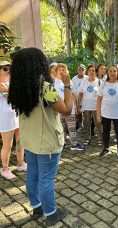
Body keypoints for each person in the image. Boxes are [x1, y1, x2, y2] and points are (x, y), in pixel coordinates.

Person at [8, 48, 71, 226]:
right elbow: (66, 110)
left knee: (33, 176)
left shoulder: (18, 88)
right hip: (47, 143)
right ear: (39, 65)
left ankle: (36, 207)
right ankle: (51, 213)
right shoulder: (45, 88)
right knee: (46, 179)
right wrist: (67, 86)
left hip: (30, 141)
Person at [0, 59, 26, 180]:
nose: (8, 71)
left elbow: (20, 93)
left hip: (16, 115)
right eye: (5, 68)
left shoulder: (12, 82)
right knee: (7, 144)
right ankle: (5, 169)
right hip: (4, 118)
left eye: (9, 68)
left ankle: (21, 163)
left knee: (20, 140)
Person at [97, 65, 118, 159]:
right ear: (108, 73)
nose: (112, 73)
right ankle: (105, 148)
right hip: (105, 113)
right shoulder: (104, 84)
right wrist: (98, 114)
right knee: (105, 131)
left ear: (117, 73)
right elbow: (99, 100)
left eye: (114, 71)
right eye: (110, 71)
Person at [54, 63, 84, 151]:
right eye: (59, 70)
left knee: (72, 127)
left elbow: (74, 94)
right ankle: (62, 144)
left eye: (63, 70)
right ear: (56, 72)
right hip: (59, 109)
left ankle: (74, 144)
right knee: (61, 128)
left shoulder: (69, 81)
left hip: (70, 109)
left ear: (66, 71)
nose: (61, 72)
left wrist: (76, 105)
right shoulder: (54, 82)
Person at [77, 64, 103, 145]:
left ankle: (100, 138)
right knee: (87, 123)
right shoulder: (84, 81)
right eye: (90, 70)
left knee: (98, 123)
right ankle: (88, 137)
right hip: (86, 106)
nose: (91, 72)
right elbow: (80, 93)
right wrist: (78, 105)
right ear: (87, 72)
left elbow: (102, 95)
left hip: (96, 107)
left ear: (96, 72)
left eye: (93, 71)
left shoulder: (99, 82)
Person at [72, 64, 88, 131]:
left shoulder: (87, 78)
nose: (81, 70)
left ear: (85, 70)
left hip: (86, 98)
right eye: (79, 69)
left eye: (82, 69)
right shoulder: (74, 78)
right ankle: (80, 125)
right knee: (78, 112)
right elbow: (73, 89)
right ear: (77, 70)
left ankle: (87, 126)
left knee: (86, 113)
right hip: (76, 97)